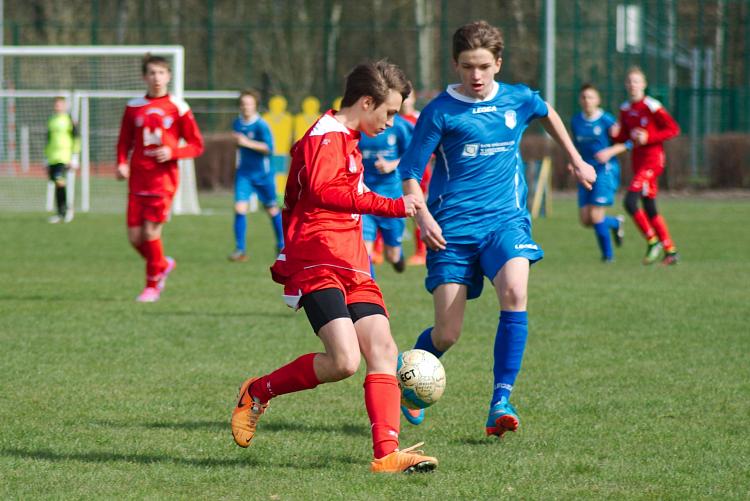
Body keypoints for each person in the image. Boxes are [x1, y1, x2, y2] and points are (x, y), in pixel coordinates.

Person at [231, 60, 438, 474]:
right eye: (389, 112)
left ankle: (387, 454)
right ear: (367, 102)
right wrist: (393, 206)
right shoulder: (325, 136)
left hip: (353, 262)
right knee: (344, 361)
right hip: (318, 258)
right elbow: (326, 192)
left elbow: (347, 191)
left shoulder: (349, 140)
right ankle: (257, 391)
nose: (391, 122)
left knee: (383, 349)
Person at [398, 21, 596, 436]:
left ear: (498, 64)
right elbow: (410, 173)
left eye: (484, 66)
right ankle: (411, 380)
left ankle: (500, 402)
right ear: (455, 64)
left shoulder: (517, 99)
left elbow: (547, 112)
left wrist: (576, 159)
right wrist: (423, 216)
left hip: (505, 222)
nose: (476, 75)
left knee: (515, 293)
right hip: (451, 231)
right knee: (447, 334)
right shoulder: (439, 111)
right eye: (468, 66)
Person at [116, 54, 204, 303]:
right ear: (144, 77)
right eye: (152, 73)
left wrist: (173, 152)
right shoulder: (133, 106)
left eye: (161, 73)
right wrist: (121, 163)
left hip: (163, 182)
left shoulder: (178, 107)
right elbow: (124, 141)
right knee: (135, 238)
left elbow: (196, 145)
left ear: (169, 76)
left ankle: (152, 286)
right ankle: (162, 264)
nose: (157, 78)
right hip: (137, 180)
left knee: (150, 233)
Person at [613, 67, 681, 265]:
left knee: (630, 202)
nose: (632, 85)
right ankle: (670, 251)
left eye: (636, 81)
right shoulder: (625, 109)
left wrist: (649, 137)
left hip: (653, 161)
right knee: (650, 207)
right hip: (638, 162)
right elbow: (624, 137)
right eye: (629, 82)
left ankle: (652, 240)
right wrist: (615, 134)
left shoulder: (652, 106)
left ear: (644, 84)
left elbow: (673, 129)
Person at [569, 83, 628, 262]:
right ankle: (615, 222)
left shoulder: (607, 120)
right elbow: (575, 146)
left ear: (598, 100)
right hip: (585, 172)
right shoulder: (576, 121)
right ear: (580, 100)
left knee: (596, 216)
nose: (587, 100)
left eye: (591, 97)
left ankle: (608, 257)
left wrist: (609, 152)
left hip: (605, 171)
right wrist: (573, 162)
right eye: (584, 97)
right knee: (586, 220)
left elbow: (627, 142)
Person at [229, 89, 284, 261]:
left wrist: (246, 142)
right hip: (244, 174)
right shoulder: (236, 123)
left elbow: (268, 148)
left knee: (272, 209)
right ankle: (240, 250)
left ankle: (282, 245)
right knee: (239, 208)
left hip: (263, 175)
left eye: (249, 104)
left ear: (255, 106)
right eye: (243, 104)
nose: (246, 107)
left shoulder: (261, 125)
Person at [359, 110, 414, 274]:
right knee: (364, 252)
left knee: (392, 256)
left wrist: (392, 165)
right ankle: (369, 288)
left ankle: (397, 256)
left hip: (392, 199)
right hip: (365, 199)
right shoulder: (360, 126)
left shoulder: (400, 126)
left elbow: (414, 155)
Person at [399, 90, 432, 265]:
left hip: (419, 173)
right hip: (394, 173)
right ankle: (379, 250)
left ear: (413, 99)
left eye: (408, 97)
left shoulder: (421, 119)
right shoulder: (392, 120)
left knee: (418, 208)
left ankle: (421, 251)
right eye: (402, 97)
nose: (404, 101)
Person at [45, 96, 80, 224]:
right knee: (57, 183)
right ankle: (61, 212)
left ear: (65, 106)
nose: (57, 106)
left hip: (65, 157)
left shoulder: (69, 120)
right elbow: (48, 140)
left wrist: (74, 157)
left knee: (60, 181)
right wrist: (46, 158)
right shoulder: (51, 120)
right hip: (52, 157)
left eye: (60, 104)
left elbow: (76, 138)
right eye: (56, 104)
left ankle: (67, 209)